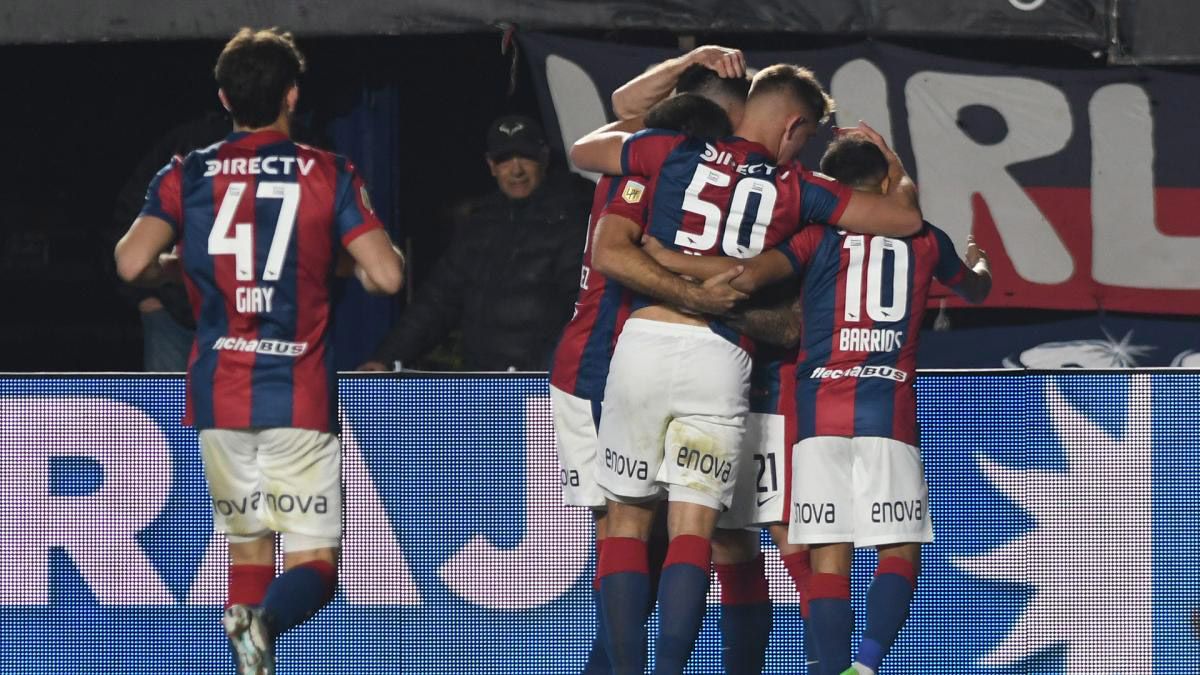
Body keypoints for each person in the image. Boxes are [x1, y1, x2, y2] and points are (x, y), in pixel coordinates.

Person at [570, 64, 923, 675]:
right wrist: (898, 174)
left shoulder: (670, 150)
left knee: (629, 522)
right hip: (725, 358)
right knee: (698, 530)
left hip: (645, 343)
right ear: (794, 127)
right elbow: (905, 222)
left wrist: (671, 262)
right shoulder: (800, 188)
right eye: (805, 136)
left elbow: (585, 149)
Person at [642, 134, 992, 675]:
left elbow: (748, 274)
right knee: (899, 550)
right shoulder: (926, 239)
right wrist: (978, 263)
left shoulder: (815, 237)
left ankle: (831, 668)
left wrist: (666, 258)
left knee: (828, 558)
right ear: (886, 181)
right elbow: (975, 290)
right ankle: (866, 666)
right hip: (887, 412)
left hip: (817, 416)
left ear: (832, 187)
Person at [113, 27, 404, 675]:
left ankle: (250, 654)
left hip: (220, 396)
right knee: (315, 564)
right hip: (296, 394)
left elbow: (130, 262)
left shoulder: (186, 172)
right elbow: (386, 276)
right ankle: (264, 622)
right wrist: (343, 264)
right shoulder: (327, 171)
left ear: (225, 98)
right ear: (292, 95)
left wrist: (177, 268)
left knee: (248, 556)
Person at [552, 91, 744, 673]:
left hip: (636, 361)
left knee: (647, 534)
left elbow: (605, 128)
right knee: (625, 529)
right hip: (597, 367)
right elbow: (612, 253)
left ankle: (616, 665)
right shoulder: (641, 179)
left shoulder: (657, 175)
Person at [359, 114, 592, 372]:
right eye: (504, 160)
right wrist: (385, 358)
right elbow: (437, 301)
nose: (516, 170)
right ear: (491, 165)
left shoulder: (576, 217)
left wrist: (551, 374)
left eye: (525, 156)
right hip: (483, 383)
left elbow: (585, 312)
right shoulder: (480, 223)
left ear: (544, 157)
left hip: (545, 384)